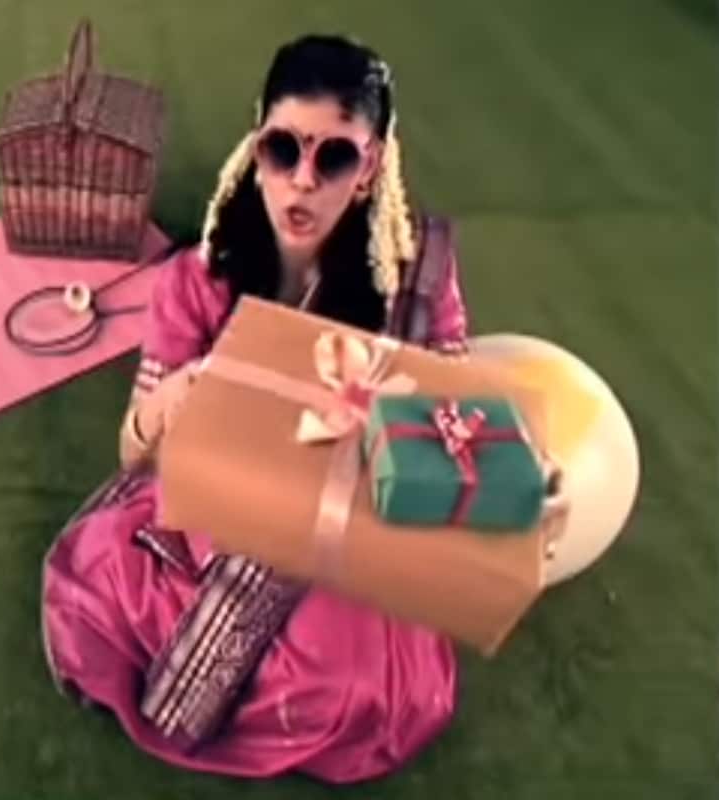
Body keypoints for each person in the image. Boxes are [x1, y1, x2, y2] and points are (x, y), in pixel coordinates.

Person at [40, 34, 470, 783]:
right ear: (257, 140)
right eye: (283, 149)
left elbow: (450, 421)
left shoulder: (411, 279)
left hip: (349, 522)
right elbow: (134, 455)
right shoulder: (197, 278)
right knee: (95, 608)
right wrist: (169, 401)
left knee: (355, 689)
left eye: (334, 158)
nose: (302, 182)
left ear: (370, 167)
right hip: (218, 513)